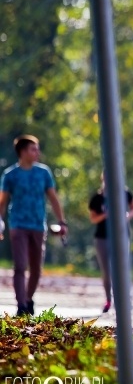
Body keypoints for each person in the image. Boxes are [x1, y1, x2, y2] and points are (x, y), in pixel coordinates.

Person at [0, 135, 67, 317]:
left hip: (38, 225)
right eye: (33, 149)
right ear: (22, 152)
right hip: (18, 225)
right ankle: (21, 305)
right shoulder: (10, 175)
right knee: (20, 266)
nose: (37, 152)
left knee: (36, 269)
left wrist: (62, 221)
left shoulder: (43, 173)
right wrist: (0, 221)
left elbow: (53, 197)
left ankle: (29, 299)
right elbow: (3, 202)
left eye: (37, 148)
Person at [88, 172, 133, 313]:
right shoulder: (97, 199)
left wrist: (127, 216)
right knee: (107, 271)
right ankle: (108, 300)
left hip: (121, 236)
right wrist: (106, 215)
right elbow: (93, 219)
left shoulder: (125, 194)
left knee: (122, 268)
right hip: (102, 237)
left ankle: (125, 300)